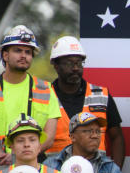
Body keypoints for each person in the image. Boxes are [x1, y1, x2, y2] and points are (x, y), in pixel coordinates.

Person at [0, 25, 59, 163]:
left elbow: (49, 137)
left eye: (28, 52)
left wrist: (25, 155)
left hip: (35, 166)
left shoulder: (45, 89)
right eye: (18, 51)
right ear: (5, 55)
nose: (23, 56)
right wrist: (2, 156)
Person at [45, 36, 125, 166]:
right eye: (69, 63)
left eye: (79, 63)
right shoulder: (44, 96)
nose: (76, 68)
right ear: (56, 65)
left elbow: (117, 137)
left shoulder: (101, 95)